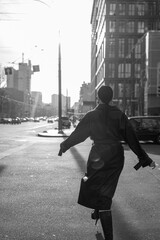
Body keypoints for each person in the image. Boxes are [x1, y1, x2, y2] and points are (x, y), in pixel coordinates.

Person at [58, 85, 156, 240]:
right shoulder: (120, 115)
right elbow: (131, 138)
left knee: (96, 187)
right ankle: (98, 210)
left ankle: (106, 229)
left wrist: (65, 145)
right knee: (106, 191)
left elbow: (79, 134)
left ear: (98, 97)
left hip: (97, 155)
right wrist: (145, 158)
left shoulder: (91, 115)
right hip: (116, 157)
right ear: (111, 98)